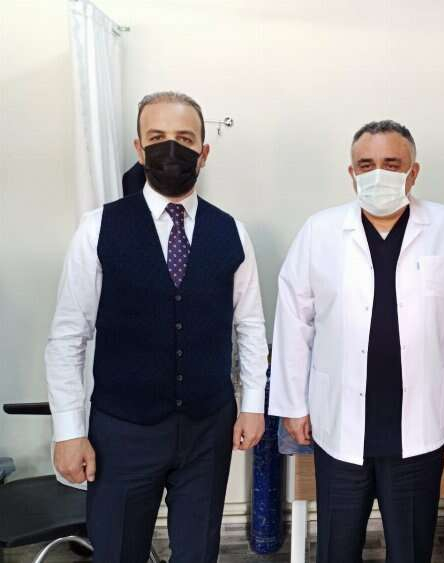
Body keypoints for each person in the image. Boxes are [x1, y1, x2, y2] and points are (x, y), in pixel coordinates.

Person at [45, 91, 269, 562]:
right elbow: (68, 336)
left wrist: (252, 405)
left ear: (204, 152)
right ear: (139, 148)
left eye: (184, 139)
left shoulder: (232, 232)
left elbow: (249, 326)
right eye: (158, 137)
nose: (171, 149)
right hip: (122, 431)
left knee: (198, 553)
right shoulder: (98, 228)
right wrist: (68, 430)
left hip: (207, 428)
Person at [269, 120, 444, 563]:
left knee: (411, 549)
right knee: (337, 549)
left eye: (392, 163)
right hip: (339, 423)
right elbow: (293, 321)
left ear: (413, 172)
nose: (378, 174)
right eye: (366, 164)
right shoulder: (320, 230)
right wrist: (293, 405)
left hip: (421, 422)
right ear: (351, 172)